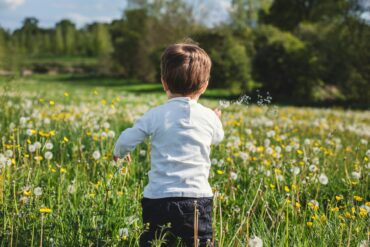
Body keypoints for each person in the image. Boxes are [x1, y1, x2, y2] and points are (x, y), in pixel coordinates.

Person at [113, 42, 224, 247]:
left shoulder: (155, 115)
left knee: (156, 242)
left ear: (164, 83)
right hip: (198, 200)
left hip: (158, 200)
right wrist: (216, 118)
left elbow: (126, 139)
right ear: (204, 85)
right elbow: (217, 137)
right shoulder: (208, 116)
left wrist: (120, 152)